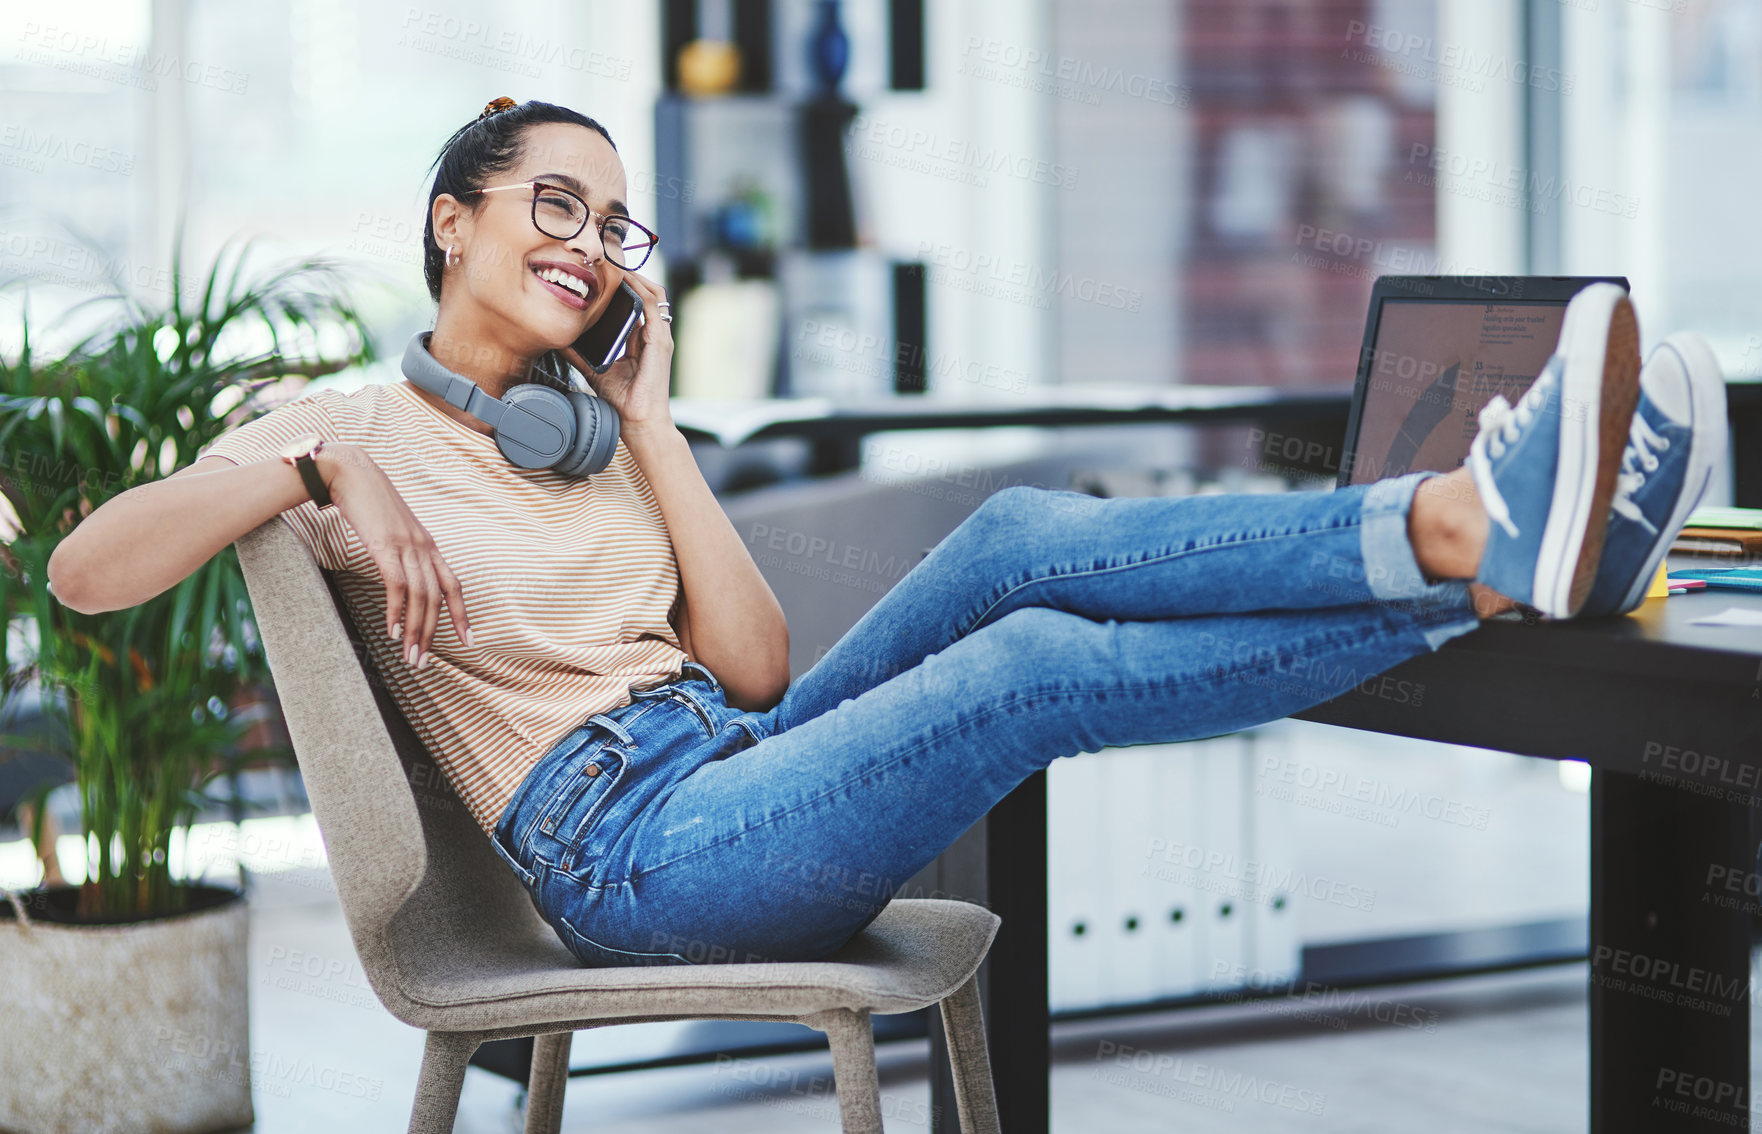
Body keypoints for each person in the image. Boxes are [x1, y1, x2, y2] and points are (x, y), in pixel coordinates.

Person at [47, 99, 1727, 969]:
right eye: (549, 205)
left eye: (609, 221)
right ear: (450, 220)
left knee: (1008, 534)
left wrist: (649, 431)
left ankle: (1467, 536)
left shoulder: (597, 428)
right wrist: (319, 475)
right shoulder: (339, 427)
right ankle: (1477, 542)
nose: (585, 244)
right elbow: (87, 569)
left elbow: (758, 666)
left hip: (729, 753)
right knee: (1030, 668)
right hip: (626, 860)